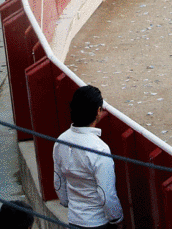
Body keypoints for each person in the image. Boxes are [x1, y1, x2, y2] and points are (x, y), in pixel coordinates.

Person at [52, 85, 122, 229]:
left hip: (74, 220)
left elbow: (58, 182)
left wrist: (69, 205)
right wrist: (117, 219)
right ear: (98, 112)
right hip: (97, 222)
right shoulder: (100, 148)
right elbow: (106, 195)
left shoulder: (60, 141)